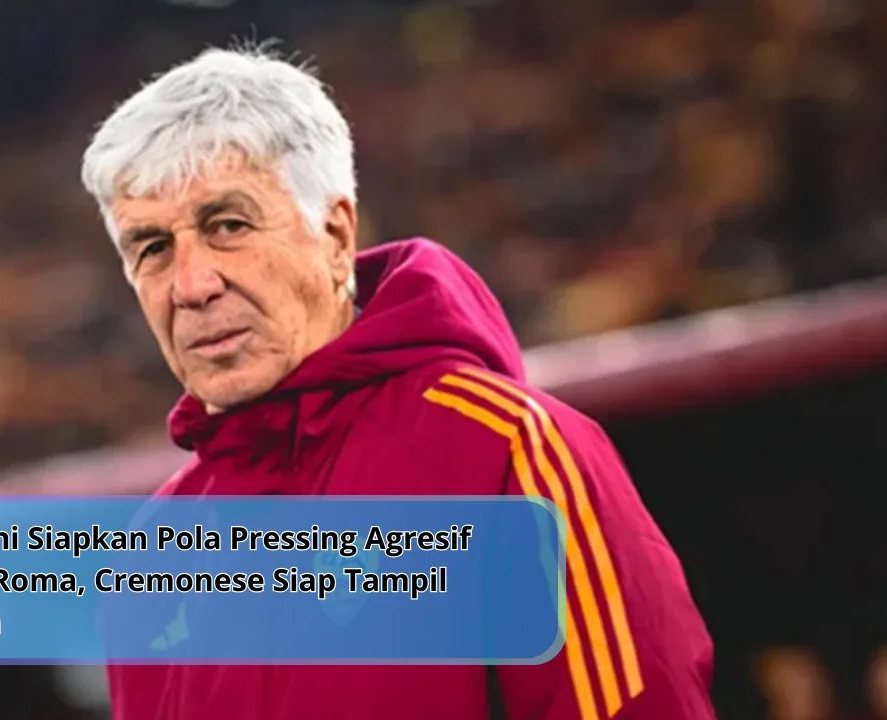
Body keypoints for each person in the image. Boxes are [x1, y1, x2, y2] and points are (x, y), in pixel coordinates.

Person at [80, 45, 716, 720]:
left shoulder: (508, 452)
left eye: (229, 226)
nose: (191, 285)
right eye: (152, 248)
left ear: (335, 236)